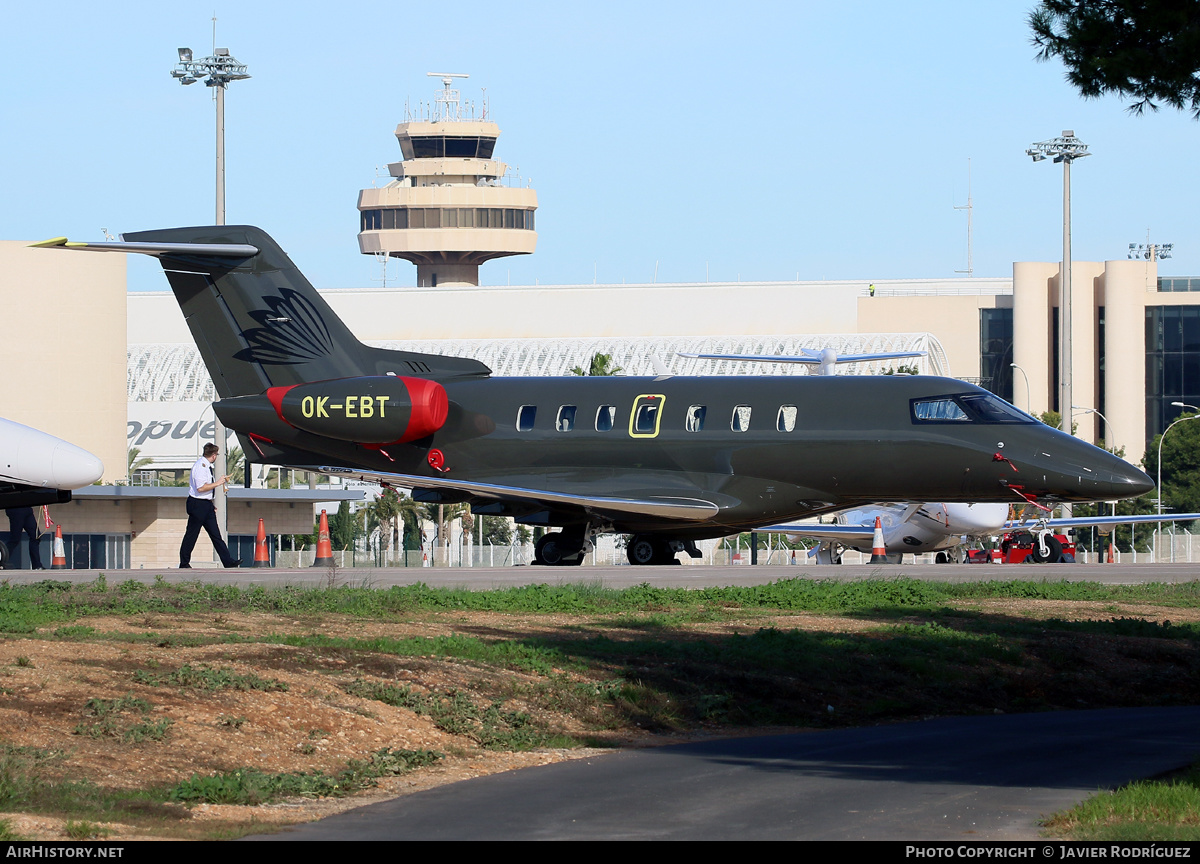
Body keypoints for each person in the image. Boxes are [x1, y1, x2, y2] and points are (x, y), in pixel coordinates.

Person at [179, 443, 241, 568]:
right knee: (192, 534)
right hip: (197, 504)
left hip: (206, 504)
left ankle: (227, 561)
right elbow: (201, 488)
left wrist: (211, 504)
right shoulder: (200, 467)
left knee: (216, 535)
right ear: (213, 455)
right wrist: (218, 483)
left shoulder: (207, 466)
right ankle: (184, 562)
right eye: (216, 454)